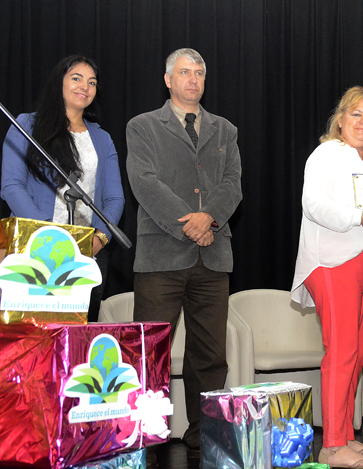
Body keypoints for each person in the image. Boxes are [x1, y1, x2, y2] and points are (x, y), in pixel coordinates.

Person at [126, 48, 242, 463]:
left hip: (213, 257)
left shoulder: (225, 129)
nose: (193, 80)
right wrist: (188, 224)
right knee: (149, 351)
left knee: (210, 355)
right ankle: (146, 435)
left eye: (199, 73)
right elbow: (144, 182)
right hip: (161, 256)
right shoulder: (142, 126)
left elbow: (233, 184)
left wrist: (208, 218)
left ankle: (204, 432)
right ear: (167, 79)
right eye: (184, 72)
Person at [291, 86, 363, 469]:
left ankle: (346, 436)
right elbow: (314, 204)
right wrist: (362, 218)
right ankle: (332, 446)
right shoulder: (327, 154)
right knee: (340, 354)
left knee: (353, 355)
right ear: (341, 119)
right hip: (333, 262)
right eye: (356, 114)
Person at [1, 55, 124, 321]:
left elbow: (114, 198)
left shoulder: (102, 139)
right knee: (29, 343)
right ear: (60, 82)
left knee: (77, 341)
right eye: (77, 78)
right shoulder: (27, 126)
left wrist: (99, 240)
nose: (85, 87)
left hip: (87, 252)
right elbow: (11, 186)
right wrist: (48, 237)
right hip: (32, 247)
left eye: (92, 82)